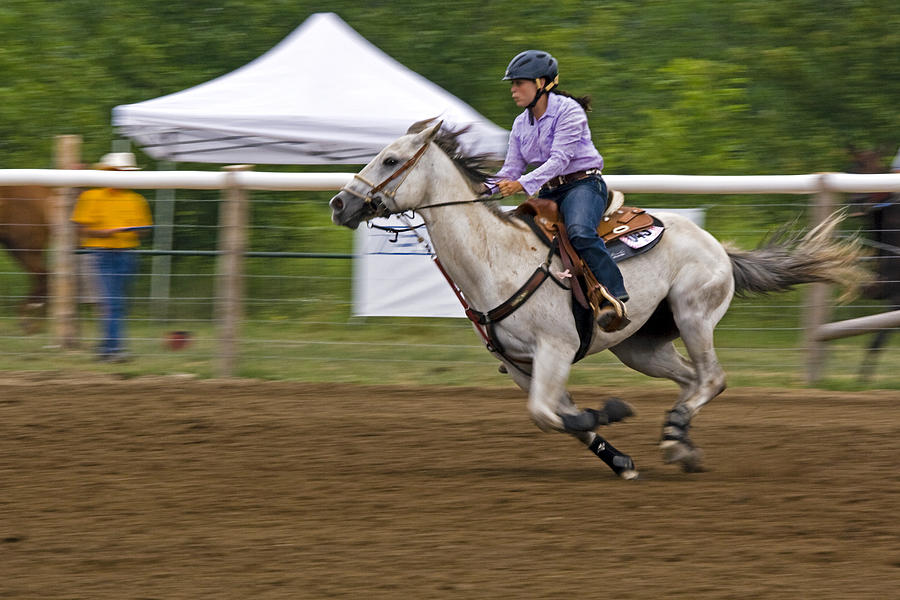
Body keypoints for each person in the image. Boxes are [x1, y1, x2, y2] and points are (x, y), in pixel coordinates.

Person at [487, 50, 629, 332]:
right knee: (517, 236)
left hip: (584, 185)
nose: (513, 90)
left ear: (541, 83)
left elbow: (560, 160)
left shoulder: (569, 111)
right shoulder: (519, 124)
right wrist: (481, 187)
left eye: (519, 84)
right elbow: (509, 171)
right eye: (512, 85)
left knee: (579, 231)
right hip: (549, 193)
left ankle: (615, 293)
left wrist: (521, 185)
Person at [71, 152, 153, 362]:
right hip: (102, 254)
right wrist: (106, 233)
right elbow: (82, 229)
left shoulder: (135, 199)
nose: (120, 175)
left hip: (127, 253)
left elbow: (144, 229)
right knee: (112, 302)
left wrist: (131, 230)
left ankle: (107, 347)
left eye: (123, 172)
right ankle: (114, 349)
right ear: (107, 172)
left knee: (116, 303)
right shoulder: (92, 197)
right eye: (116, 171)